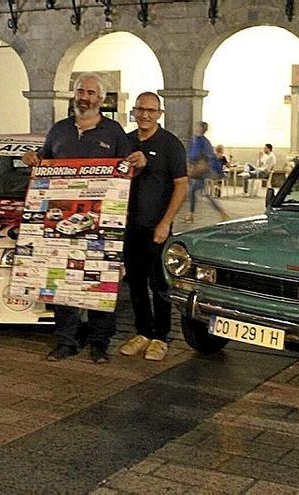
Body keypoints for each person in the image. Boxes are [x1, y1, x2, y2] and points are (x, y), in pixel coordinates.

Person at [22, 72, 145, 364]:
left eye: (91, 92)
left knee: (100, 283)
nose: (85, 97)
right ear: (73, 95)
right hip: (61, 222)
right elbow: (44, 162)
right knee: (63, 282)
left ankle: (100, 342)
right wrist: (32, 158)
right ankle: (66, 341)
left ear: (101, 99)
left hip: (102, 223)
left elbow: (128, 171)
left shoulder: (113, 132)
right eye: (80, 91)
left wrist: (139, 163)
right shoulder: (59, 130)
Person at [118, 92, 187, 361]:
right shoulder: (125, 141)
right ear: (133, 112)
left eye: (151, 110)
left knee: (159, 282)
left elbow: (181, 184)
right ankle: (143, 331)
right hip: (128, 225)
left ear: (159, 113)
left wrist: (166, 222)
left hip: (157, 226)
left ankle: (161, 336)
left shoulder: (170, 145)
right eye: (140, 110)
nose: (145, 115)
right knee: (135, 281)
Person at [184, 122, 227, 222]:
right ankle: (191, 214)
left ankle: (220, 212)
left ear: (203, 129)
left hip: (201, 171)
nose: (196, 129)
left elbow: (208, 157)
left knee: (199, 192)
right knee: (195, 192)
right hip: (194, 169)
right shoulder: (194, 140)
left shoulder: (205, 142)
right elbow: (190, 153)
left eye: (198, 127)